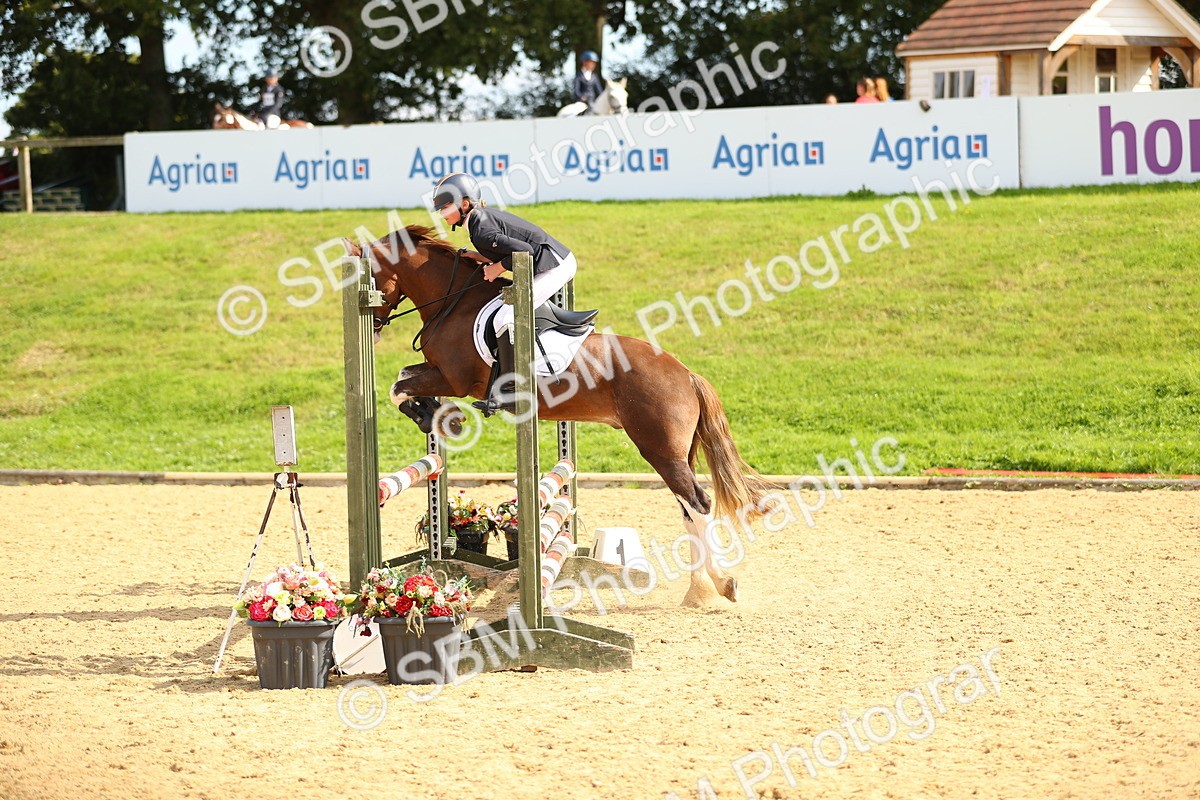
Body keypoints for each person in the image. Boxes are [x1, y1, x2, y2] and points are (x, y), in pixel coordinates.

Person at [431, 172, 578, 414]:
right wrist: (478, 257)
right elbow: (506, 249)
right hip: (547, 262)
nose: (442, 213)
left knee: (505, 317)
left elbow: (525, 251)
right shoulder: (478, 222)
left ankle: (511, 391)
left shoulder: (480, 227)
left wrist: (496, 269)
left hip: (554, 266)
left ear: (464, 204)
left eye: (446, 207)